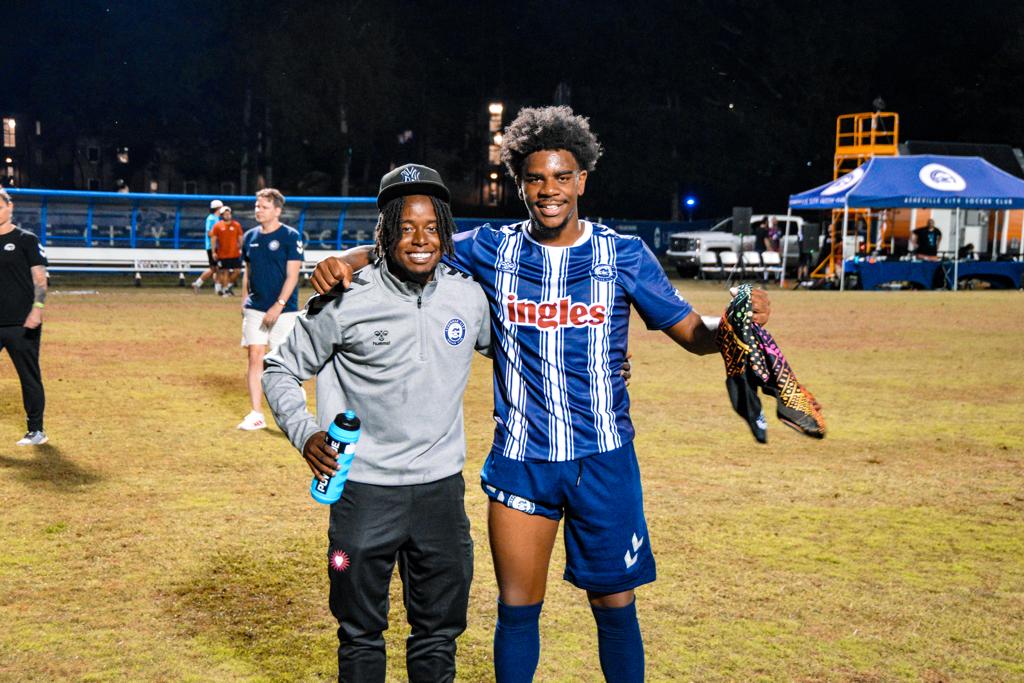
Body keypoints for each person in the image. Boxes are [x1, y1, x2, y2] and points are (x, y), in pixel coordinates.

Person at [311, 106, 771, 683]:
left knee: (616, 607)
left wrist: (732, 326)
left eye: (561, 176)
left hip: (604, 458)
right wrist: (342, 262)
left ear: (582, 180)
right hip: (522, 459)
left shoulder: (624, 254)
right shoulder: (490, 248)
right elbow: (405, 247)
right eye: (535, 178)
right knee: (518, 608)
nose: (549, 190)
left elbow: (692, 335)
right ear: (520, 184)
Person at [263, 164, 490, 682]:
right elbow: (280, 368)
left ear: (445, 231)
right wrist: (305, 432)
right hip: (363, 494)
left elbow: (522, 354)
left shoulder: (469, 296)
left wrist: (604, 362)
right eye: (406, 227)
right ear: (385, 233)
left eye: (431, 227)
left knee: (438, 635)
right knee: (360, 633)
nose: (420, 240)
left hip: (440, 495)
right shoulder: (345, 298)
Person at [237, 188, 303, 431]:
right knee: (255, 356)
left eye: (264, 207)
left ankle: (293, 411)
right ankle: (256, 414)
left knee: (283, 362)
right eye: (257, 206)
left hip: (285, 310)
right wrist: (244, 299)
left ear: (277, 210)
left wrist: (279, 305)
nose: (258, 210)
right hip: (255, 308)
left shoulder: (290, 236)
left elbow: (293, 275)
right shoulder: (249, 237)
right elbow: (248, 272)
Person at [0, 188, 49, 446]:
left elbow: (40, 279)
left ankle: (36, 430)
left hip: (22, 323)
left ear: (10, 207)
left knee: (28, 376)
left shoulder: (26, 240)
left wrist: (37, 309)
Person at [209, 206, 243, 296]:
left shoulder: (236, 225)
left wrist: (241, 247)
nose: (227, 215)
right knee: (225, 272)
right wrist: (213, 252)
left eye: (229, 214)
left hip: (235, 253)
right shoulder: (218, 226)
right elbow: (213, 239)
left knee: (237, 271)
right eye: (225, 214)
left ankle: (228, 286)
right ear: (222, 215)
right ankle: (225, 290)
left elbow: (240, 237)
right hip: (223, 254)